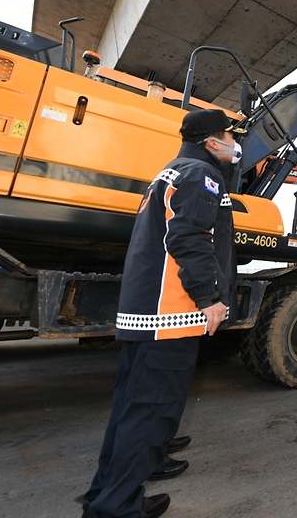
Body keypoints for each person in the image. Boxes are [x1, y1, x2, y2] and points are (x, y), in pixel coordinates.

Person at [82, 109, 241, 518]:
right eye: (228, 135)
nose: (234, 143)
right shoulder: (201, 176)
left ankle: (107, 493)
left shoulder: (170, 172)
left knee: (130, 413)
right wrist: (209, 297)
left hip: (146, 316)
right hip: (170, 316)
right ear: (211, 142)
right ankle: (115, 509)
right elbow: (190, 238)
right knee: (149, 415)